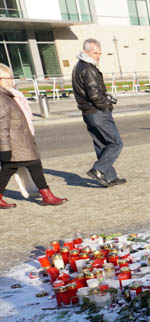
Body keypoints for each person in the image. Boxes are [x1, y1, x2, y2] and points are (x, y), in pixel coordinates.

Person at [0, 64, 67, 208]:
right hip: (15, 142)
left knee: (16, 168)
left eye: (10, 77)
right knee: (26, 166)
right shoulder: (2, 98)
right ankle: (47, 195)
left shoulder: (10, 95)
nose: (9, 81)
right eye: (4, 78)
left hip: (21, 140)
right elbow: (2, 125)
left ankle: (47, 195)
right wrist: (4, 148)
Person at [73, 38, 125, 187]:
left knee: (102, 145)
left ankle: (109, 177)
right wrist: (106, 106)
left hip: (88, 113)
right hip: (96, 112)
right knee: (116, 143)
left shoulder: (79, 67)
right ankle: (98, 170)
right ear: (85, 52)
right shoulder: (88, 68)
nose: (98, 56)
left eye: (99, 53)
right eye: (95, 53)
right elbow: (94, 95)